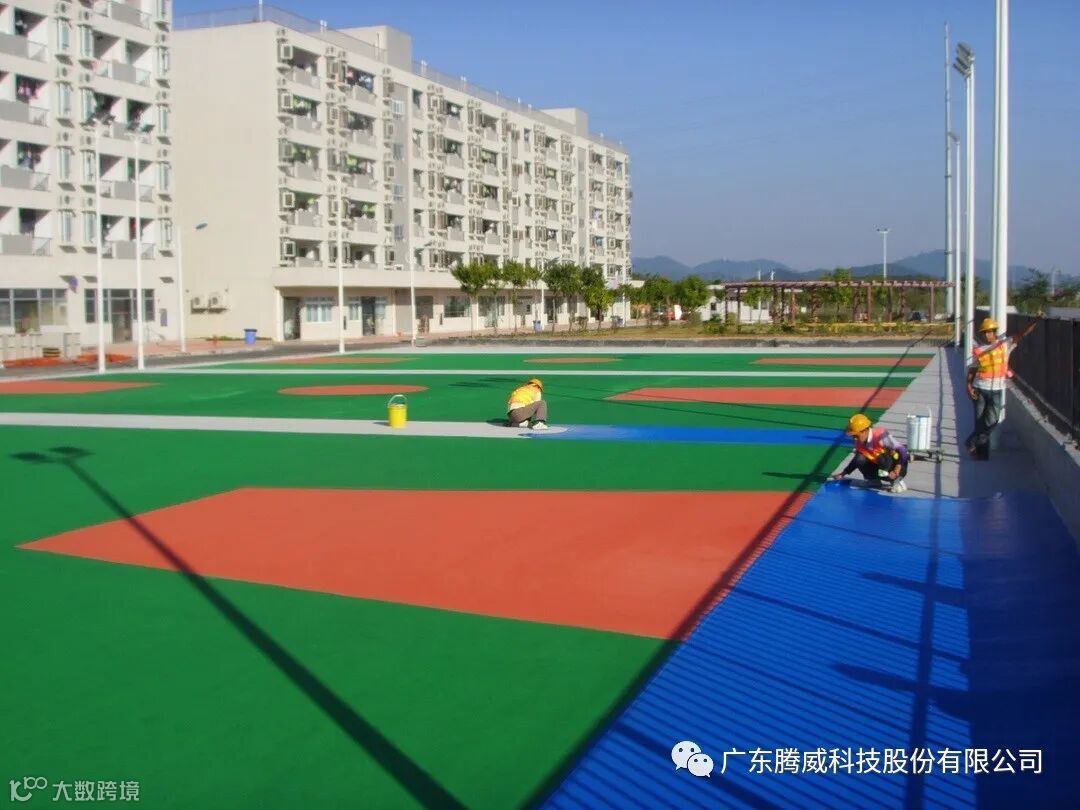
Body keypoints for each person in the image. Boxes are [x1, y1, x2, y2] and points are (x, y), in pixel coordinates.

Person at [964, 315, 1042, 460]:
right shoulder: (979, 350)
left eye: (989, 332)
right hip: (979, 389)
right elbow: (972, 370)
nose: (986, 335)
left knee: (993, 421)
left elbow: (1022, 334)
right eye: (984, 332)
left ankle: (971, 442)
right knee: (980, 423)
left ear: (995, 332)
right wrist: (968, 385)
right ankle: (981, 454)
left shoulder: (1004, 345)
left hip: (997, 390)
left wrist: (1035, 321)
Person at [831, 413, 909, 492]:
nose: (854, 438)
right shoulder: (859, 441)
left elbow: (903, 451)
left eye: (856, 435)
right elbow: (856, 460)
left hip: (896, 465)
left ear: (864, 431)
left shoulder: (880, 435)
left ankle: (897, 481)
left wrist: (898, 467)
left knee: (882, 458)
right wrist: (843, 474)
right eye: (853, 436)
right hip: (880, 466)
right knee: (860, 458)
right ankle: (873, 480)